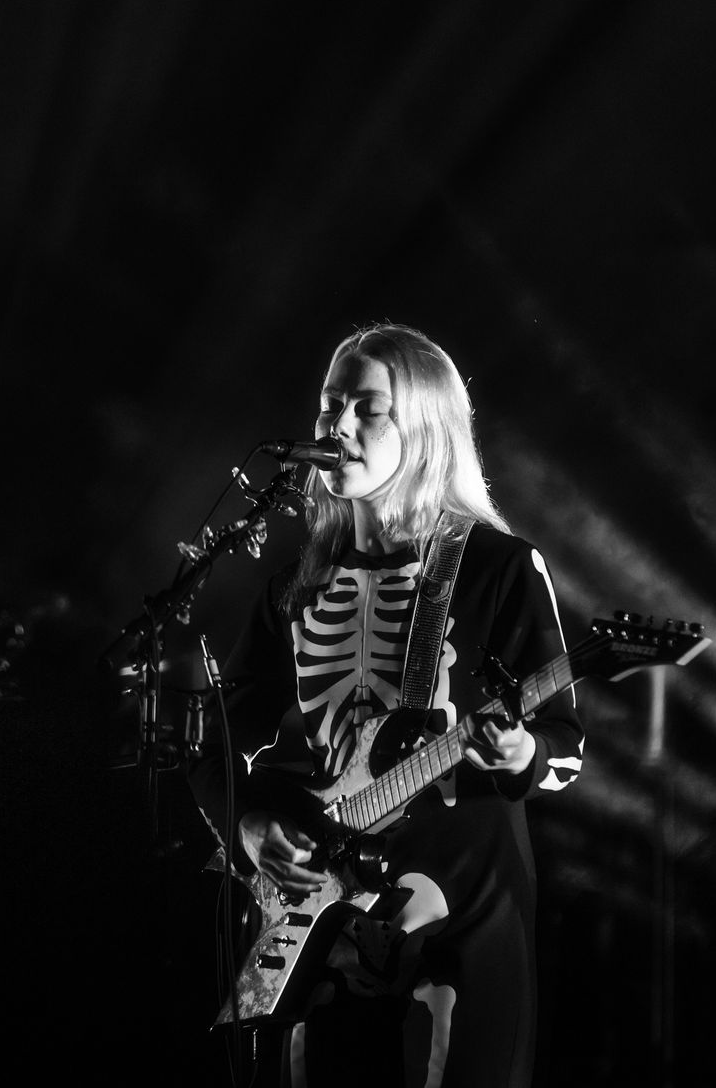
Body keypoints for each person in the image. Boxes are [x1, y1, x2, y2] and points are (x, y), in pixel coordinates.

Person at [188, 322, 584, 1088]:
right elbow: (219, 744)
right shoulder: (292, 588)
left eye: (367, 408)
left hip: (458, 902)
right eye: (330, 405)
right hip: (327, 910)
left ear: (427, 428)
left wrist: (523, 754)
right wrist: (249, 822)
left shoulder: (498, 568)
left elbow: (565, 745)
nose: (336, 426)